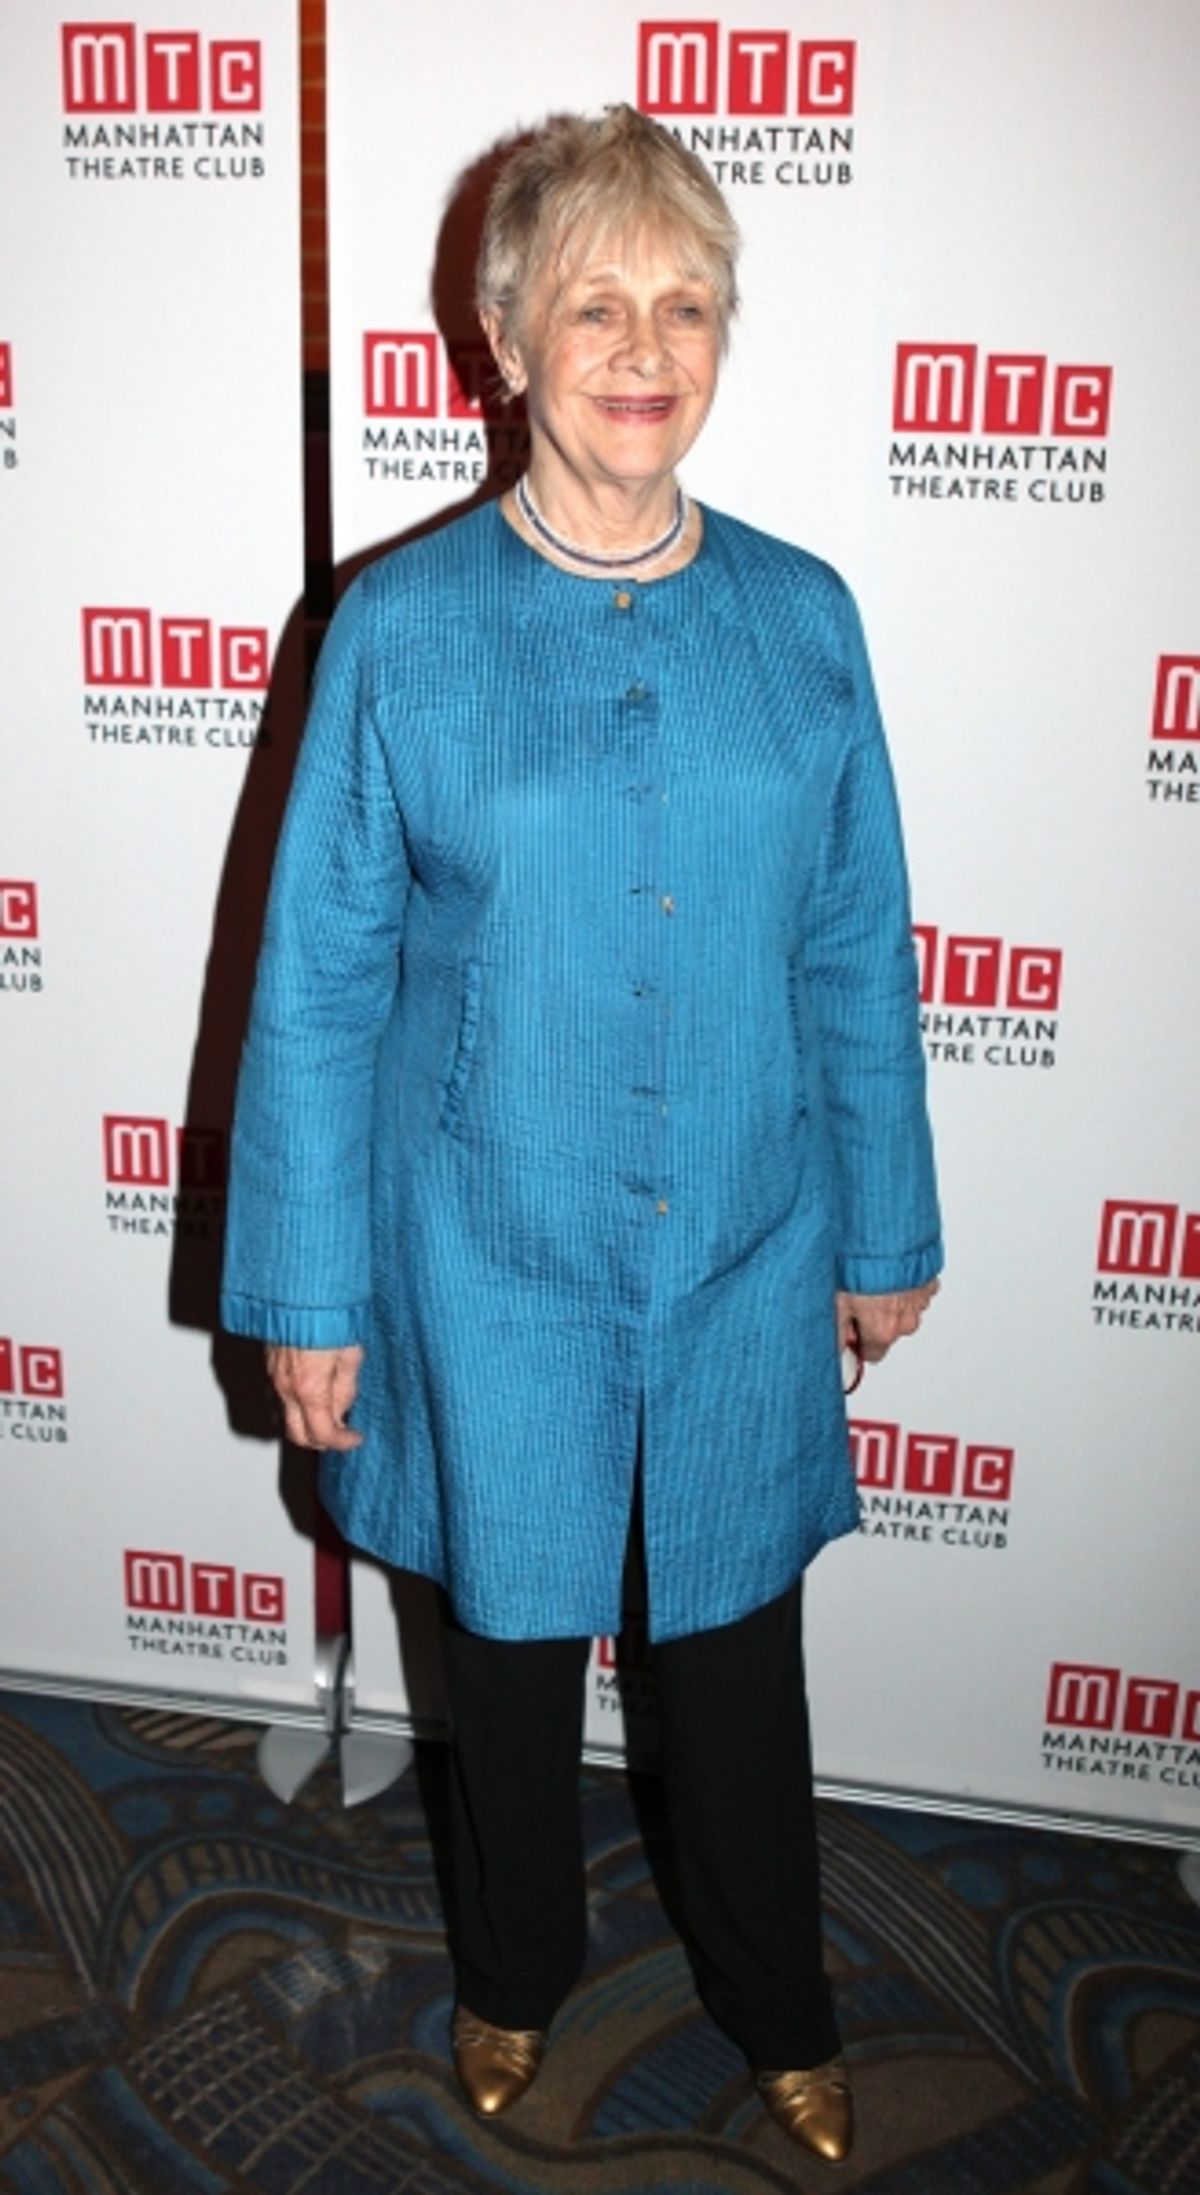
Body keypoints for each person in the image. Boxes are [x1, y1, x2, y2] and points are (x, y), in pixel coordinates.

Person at [221, 105, 941, 2164]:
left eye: (687, 301)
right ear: (503, 332)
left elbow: (854, 948)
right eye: (598, 301)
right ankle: (516, 1977)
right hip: (483, 1260)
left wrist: (883, 1227)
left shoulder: (805, 622)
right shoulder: (401, 633)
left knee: (737, 1674)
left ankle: (776, 1998)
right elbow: (321, 990)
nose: (648, 344)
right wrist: (311, 1294)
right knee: (510, 1677)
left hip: (740, 1248)